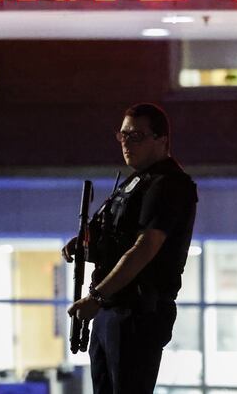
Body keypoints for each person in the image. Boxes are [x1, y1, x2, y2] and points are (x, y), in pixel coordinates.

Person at [63, 103, 198, 394]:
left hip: (137, 312)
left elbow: (145, 247)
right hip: (111, 310)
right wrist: (84, 246)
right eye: (123, 135)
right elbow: (114, 239)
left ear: (161, 140)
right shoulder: (133, 183)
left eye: (136, 136)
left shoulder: (168, 184)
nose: (126, 143)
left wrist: (97, 296)